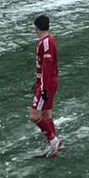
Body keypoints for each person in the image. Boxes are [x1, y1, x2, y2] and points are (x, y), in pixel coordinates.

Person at [30, 14, 62, 157]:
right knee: (46, 113)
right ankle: (55, 144)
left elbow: (47, 66)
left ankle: (52, 140)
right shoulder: (46, 41)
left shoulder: (46, 42)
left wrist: (43, 88)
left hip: (46, 84)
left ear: (37, 28)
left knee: (34, 114)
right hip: (45, 82)